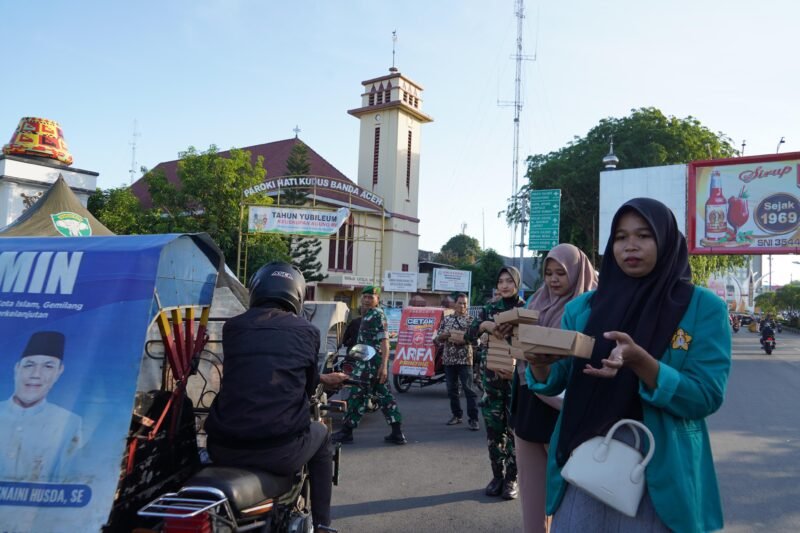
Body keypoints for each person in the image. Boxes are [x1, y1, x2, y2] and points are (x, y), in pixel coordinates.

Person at [527, 198, 732, 532]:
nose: (630, 246)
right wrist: (537, 363)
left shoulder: (702, 308)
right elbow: (555, 378)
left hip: (659, 472)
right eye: (621, 237)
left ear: (666, 242)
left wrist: (642, 363)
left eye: (644, 235)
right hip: (585, 461)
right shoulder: (584, 307)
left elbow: (706, 395)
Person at [204, 262, 348, 532]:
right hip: (279, 451)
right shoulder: (307, 331)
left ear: (256, 290)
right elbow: (306, 387)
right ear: (297, 294)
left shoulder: (233, 327)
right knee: (323, 435)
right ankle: (322, 524)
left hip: (222, 447)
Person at [513, 244, 596, 533]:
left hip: (565, 407)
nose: (553, 279)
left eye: (561, 272)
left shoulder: (589, 307)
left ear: (577, 272)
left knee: (570, 491)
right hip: (529, 401)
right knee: (531, 488)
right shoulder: (535, 302)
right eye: (548, 273)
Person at [467, 266, 525, 500]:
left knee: (514, 433)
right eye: (500, 281)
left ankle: (512, 479)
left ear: (517, 284)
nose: (504, 285)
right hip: (491, 382)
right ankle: (497, 476)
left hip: (516, 383)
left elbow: (534, 344)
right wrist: (484, 325)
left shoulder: (526, 310)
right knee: (494, 432)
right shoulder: (489, 309)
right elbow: (470, 334)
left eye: (509, 281)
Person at [0, 330, 82, 482]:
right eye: (29, 365)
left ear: (59, 371)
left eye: (48, 367)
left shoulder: (69, 422)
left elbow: (67, 479)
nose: (36, 374)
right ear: (17, 368)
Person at [332, 286, 407, 445]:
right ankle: (397, 433)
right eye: (365, 297)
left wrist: (384, 365)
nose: (366, 300)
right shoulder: (368, 315)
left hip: (371, 365)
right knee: (384, 397)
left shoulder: (377, 315)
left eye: (370, 297)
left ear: (377, 299)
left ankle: (347, 432)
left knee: (357, 395)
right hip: (367, 362)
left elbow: (385, 341)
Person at [434, 293, 479, 430]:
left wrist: (465, 338)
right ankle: (457, 415)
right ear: (455, 304)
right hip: (449, 360)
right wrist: (444, 336)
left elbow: (477, 341)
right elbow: (436, 339)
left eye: (465, 303)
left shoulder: (472, 320)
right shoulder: (446, 320)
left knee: (469, 390)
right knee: (452, 390)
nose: (462, 306)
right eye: (460, 303)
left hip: (465, 359)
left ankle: (473, 419)